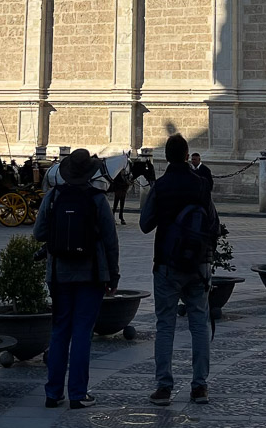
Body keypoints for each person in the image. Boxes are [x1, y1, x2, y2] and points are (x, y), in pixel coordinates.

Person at [33, 147, 120, 411]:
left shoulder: (54, 196)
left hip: (59, 273)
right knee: (83, 332)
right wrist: (113, 275)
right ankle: (78, 394)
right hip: (91, 274)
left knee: (60, 330)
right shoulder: (98, 199)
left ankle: (52, 392)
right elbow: (110, 240)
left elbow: (38, 233)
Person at [140, 133, 218, 406]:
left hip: (166, 263)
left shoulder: (161, 186)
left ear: (166, 157)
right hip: (199, 265)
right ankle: (200, 387)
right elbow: (214, 225)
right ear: (187, 156)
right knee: (199, 324)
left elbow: (145, 223)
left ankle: (164, 388)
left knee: (165, 325)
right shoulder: (201, 185)